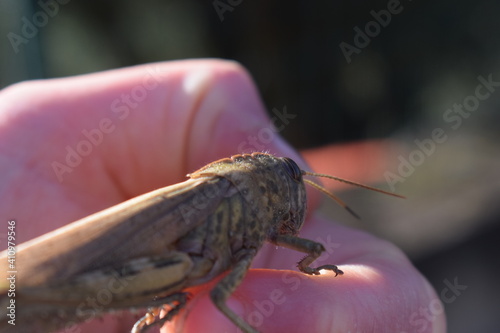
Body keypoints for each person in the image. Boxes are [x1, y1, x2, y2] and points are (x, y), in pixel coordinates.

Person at [0, 59, 445, 332]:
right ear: (266, 183)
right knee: (16, 296)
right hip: (59, 278)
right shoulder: (224, 199)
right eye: (291, 184)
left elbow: (305, 250)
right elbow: (216, 292)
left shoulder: (253, 225)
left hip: (165, 267)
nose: (297, 198)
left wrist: (309, 264)